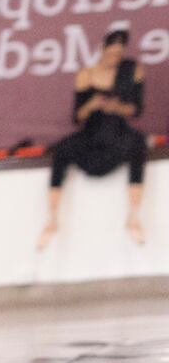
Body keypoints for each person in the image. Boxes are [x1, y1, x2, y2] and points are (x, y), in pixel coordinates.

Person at [41, 28, 149, 250]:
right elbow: (77, 117)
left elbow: (135, 109)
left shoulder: (131, 70)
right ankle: (51, 217)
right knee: (62, 150)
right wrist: (92, 105)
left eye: (119, 54)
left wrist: (116, 107)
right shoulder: (86, 74)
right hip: (92, 134)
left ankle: (134, 216)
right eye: (111, 54)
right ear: (102, 49)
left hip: (117, 133)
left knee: (138, 146)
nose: (115, 59)